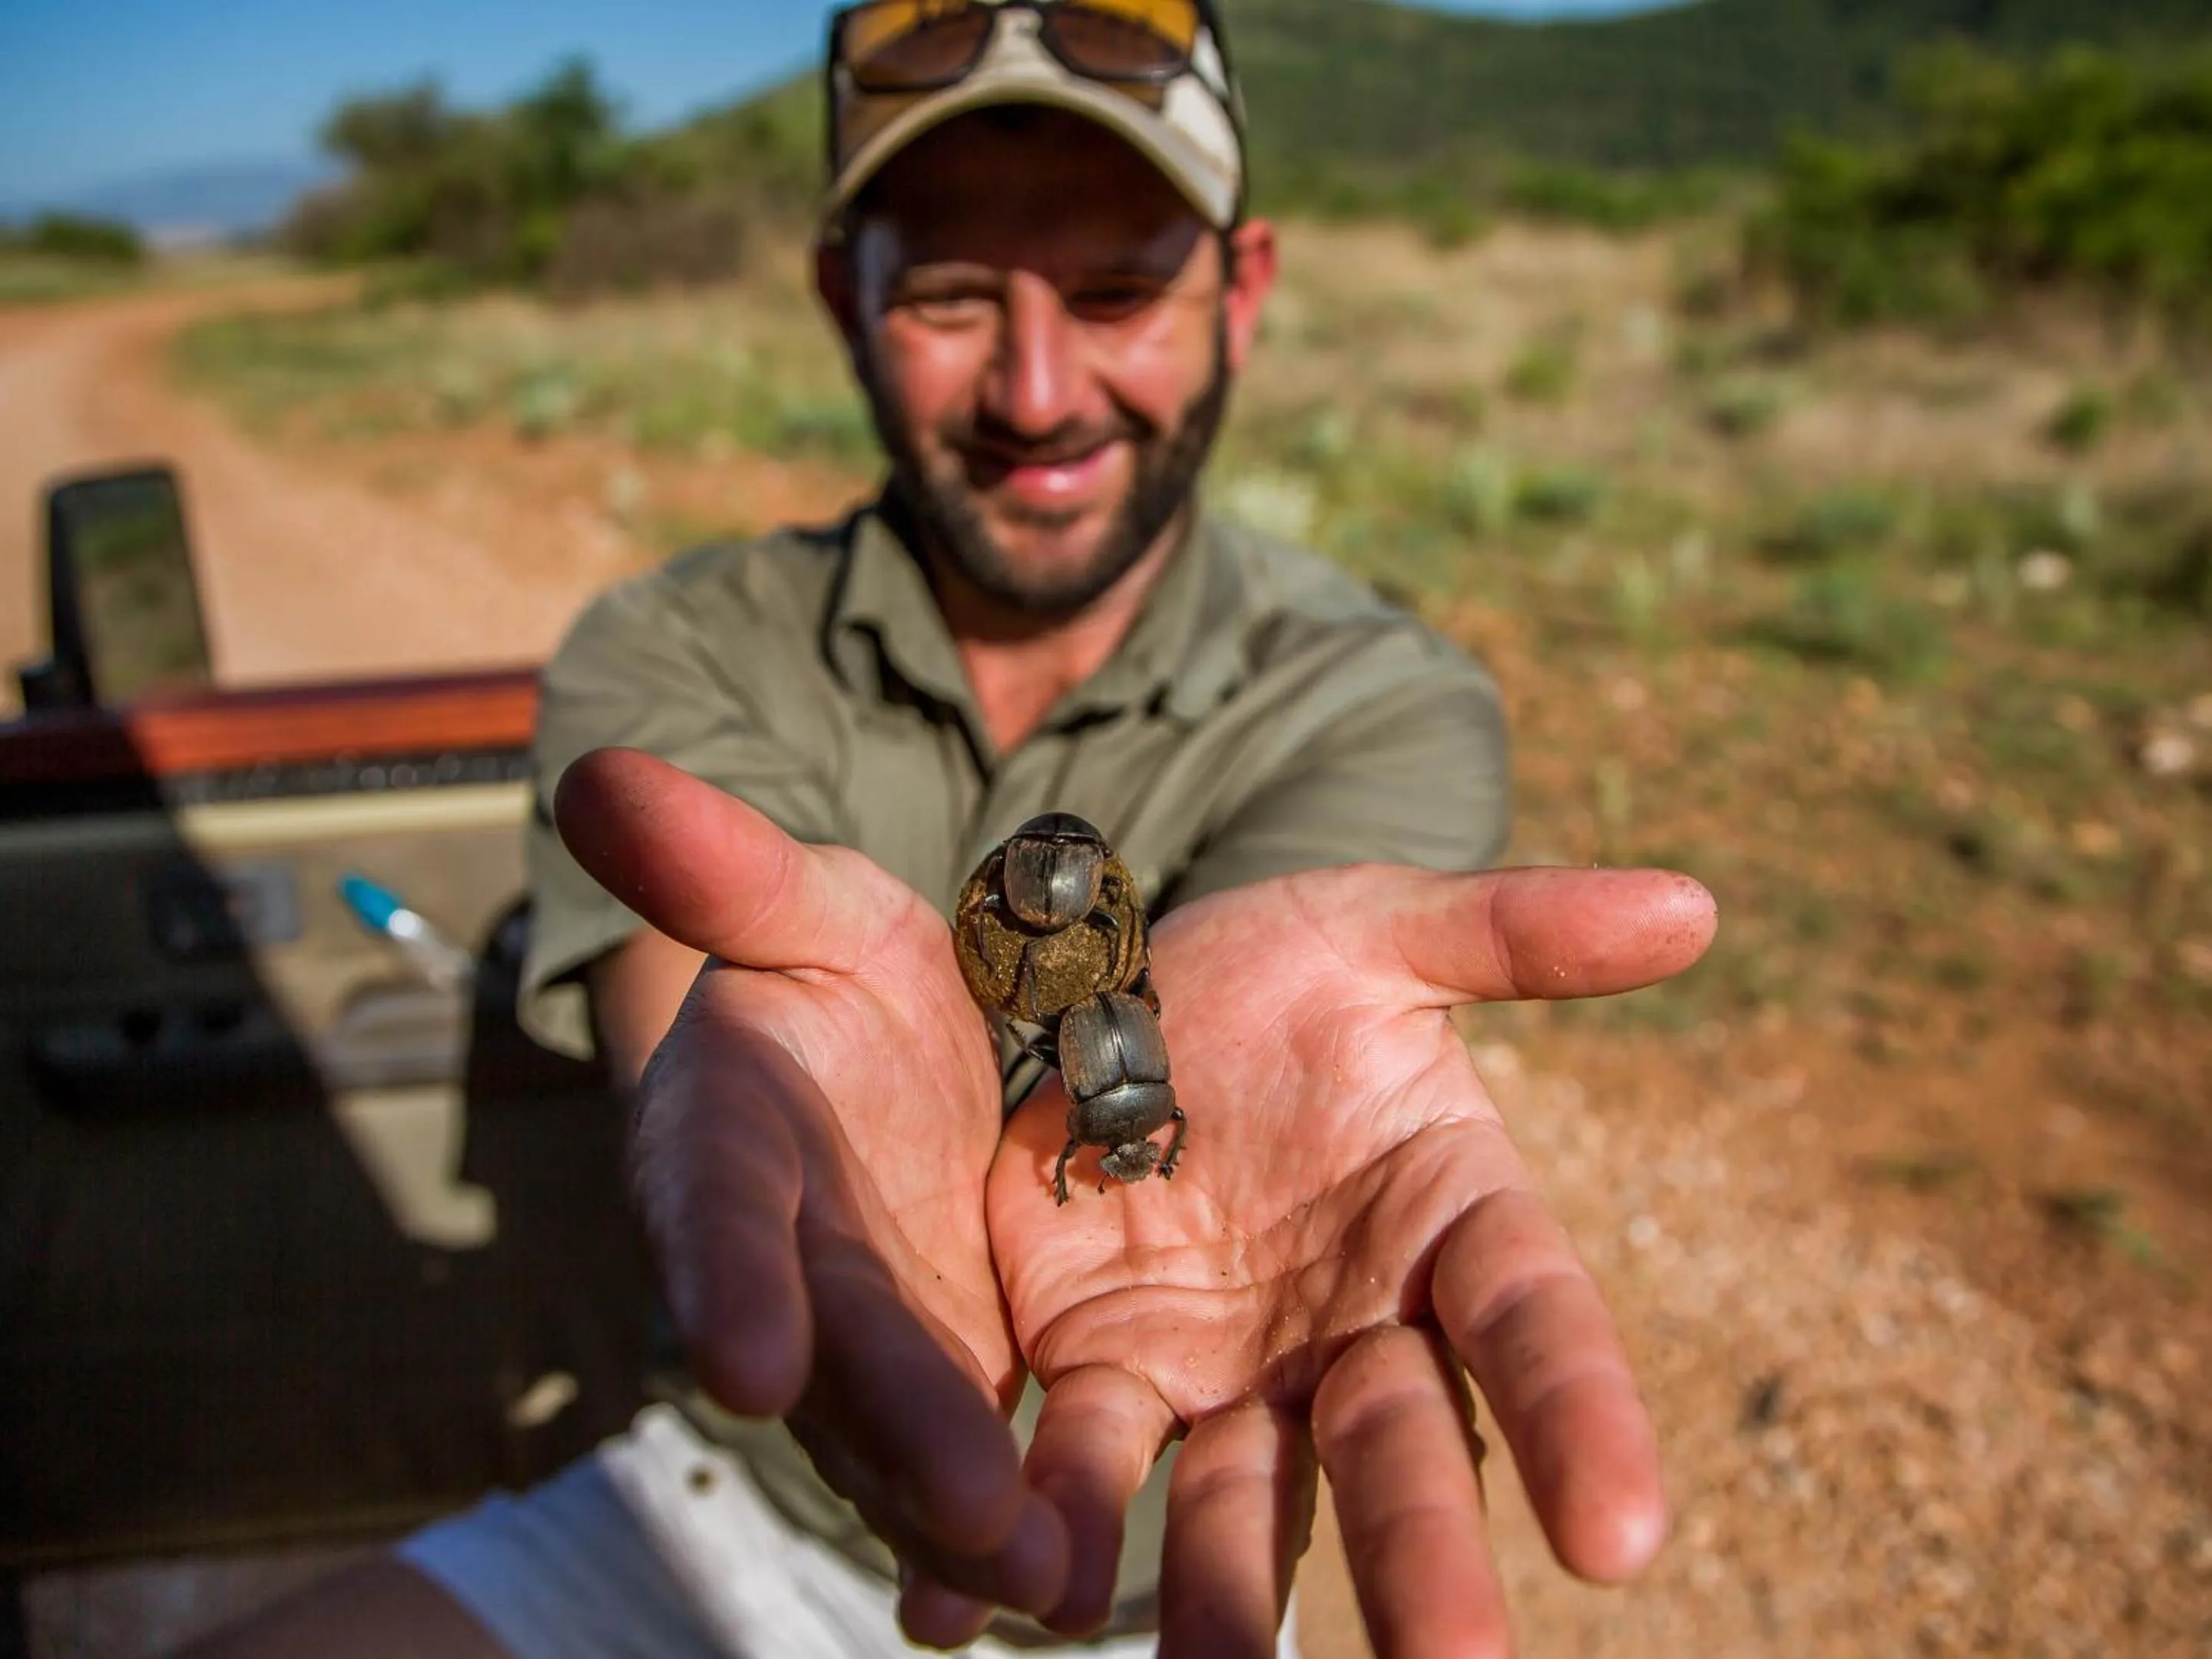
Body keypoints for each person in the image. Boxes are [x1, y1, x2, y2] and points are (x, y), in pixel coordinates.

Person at [183, 2, 1714, 1654]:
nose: (1039, 391)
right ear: (844, 300)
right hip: (716, 1517)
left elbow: (1246, 1044)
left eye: (1118, 288)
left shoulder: (1378, 698)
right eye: (951, 294)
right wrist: (777, 1069)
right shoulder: (674, 648)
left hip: (1117, 1579)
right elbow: (700, 996)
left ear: (1242, 294)